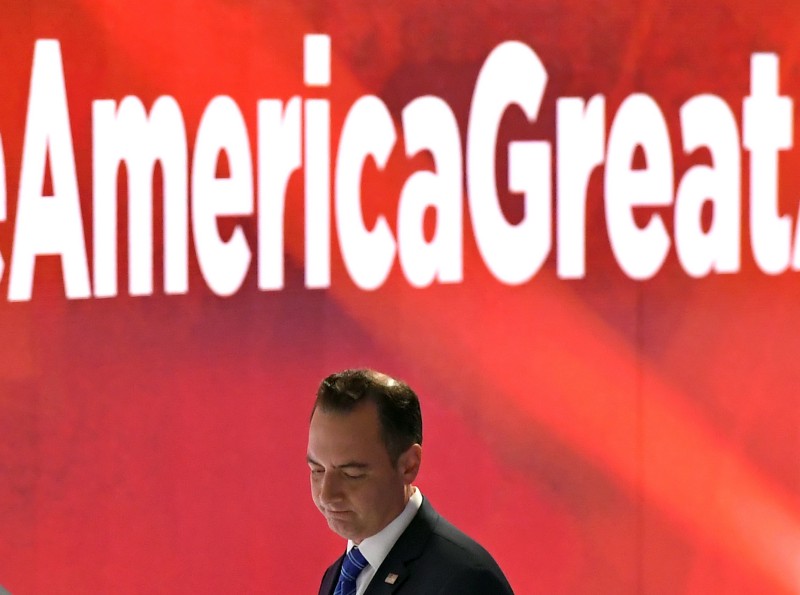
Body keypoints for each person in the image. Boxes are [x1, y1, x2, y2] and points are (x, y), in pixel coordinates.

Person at [307, 368, 514, 594]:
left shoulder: (467, 582)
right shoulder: (338, 575)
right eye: (317, 470)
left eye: (351, 474)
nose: (326, 495)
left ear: (409, 465)